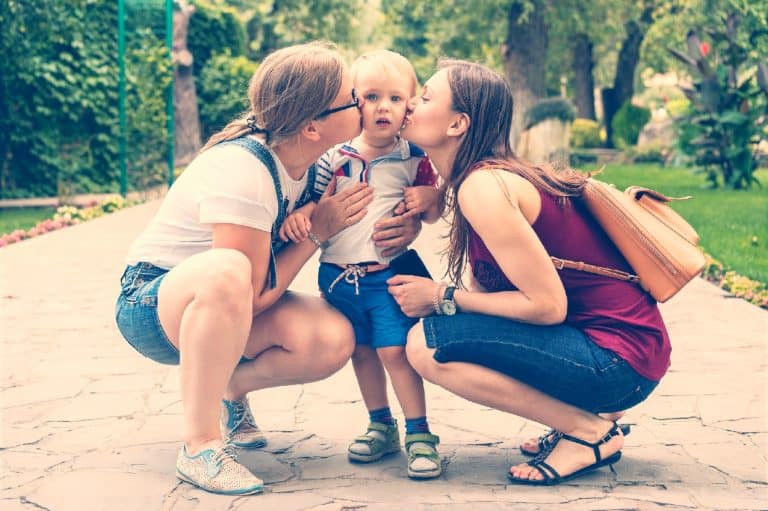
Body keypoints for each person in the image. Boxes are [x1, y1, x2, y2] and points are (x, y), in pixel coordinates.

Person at [114, 42, 421, 496]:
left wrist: (407, 225)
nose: (363, 103)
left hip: (230, 303)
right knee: (226, 268)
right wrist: (317, 232)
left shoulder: (316, 162)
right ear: (313, 126)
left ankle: (225, 388)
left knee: (334, 337)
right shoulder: (244, 170)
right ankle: (200, 446)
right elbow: (250, 292)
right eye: (352, 97)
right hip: (153, 305)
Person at [386, 59, 670, 486]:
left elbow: (547, 306)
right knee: (446, 331)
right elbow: (497, 303)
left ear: (457, 124)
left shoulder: (484, 188)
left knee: (426, 344)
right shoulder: (478, 182)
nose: (409, 104)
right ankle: (579, 418)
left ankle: (590, 433)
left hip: (617, 363)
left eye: (425, 97)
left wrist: (441, 296)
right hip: (625, 356)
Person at [278, 50, 444, 479]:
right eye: (370, 96)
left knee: (395, 351)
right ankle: (380, 424)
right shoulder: (334, 156)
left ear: (409, 105)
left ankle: (420, 433)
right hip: (338, 277)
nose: (382, 107)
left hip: (386, 276)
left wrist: (430, 200)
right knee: (363, 352)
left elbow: (431, 207)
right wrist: (303, 216)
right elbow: (316, 199)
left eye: (394, 97)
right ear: (354, 102)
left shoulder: (414, 157)